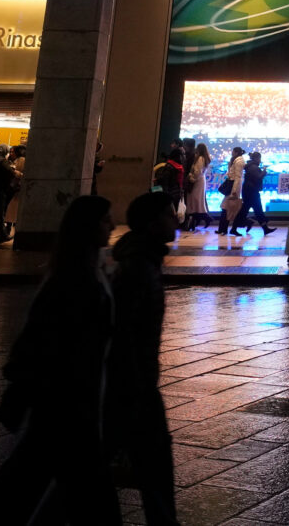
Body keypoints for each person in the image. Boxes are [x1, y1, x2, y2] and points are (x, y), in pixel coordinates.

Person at [0, 195, 116, 526]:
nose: (113, 226)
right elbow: (54, 343)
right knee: (30, 489)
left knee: (23, 487)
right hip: (69, 404)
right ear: (89, 227)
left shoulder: (82, 272)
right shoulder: (79, 280)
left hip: (65, 404)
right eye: (107, 220)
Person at [107, 191, 181, 525]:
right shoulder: (139, 268)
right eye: (169, 214)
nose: (175, 219)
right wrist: (136, 387)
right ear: (153, 224)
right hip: (134, 386)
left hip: (133, 383)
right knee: (154, 466)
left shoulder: (142, 261)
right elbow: (123, 332)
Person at [239, 150, 267, 231]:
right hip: (252, 192)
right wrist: (264, 171)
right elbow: (258, 177)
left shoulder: (251, 166)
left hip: (249, 191)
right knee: (250, 211)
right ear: (257, 158)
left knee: (252, 210)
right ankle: (234, 227)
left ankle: (265, 228)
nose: (260, 160)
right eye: (260, 158)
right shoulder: (253, 167)